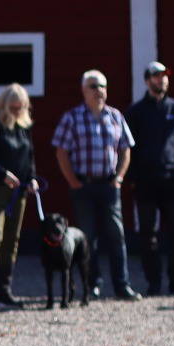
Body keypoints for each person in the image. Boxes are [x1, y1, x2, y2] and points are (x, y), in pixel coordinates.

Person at [51, 69, 141, 301]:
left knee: (117, 235)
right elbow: (61, 151)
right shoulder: (72, 117)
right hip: (83, 186)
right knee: (88, 237)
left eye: (102, 86)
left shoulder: (115, 116)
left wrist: (119, 177)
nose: (99, 90)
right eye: (93, 86)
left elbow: (126, 149)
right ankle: (93, 284)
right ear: (84, 90)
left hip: (109, 185)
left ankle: (122, 284)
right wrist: (73, 181)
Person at [125, 61, 174, 295]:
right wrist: (133, 177)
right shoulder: (136, 111)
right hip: (145, 181)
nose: (162, 80)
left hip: (172, 178)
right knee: (148, 234)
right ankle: (153, 282)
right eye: (156, 76)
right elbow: (128, 147)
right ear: (147, 81)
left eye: (164, 76)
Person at [0, 83, 37, 310]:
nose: (17, 112)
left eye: (21, 108)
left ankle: (3, 288)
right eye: (13, 108)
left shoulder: (24, 125)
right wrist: (2, 174)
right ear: (4, 105)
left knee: (12, 239)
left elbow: (29, 156)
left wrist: (32, 178)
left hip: (18, 191)